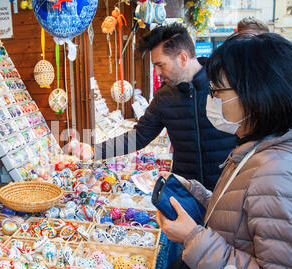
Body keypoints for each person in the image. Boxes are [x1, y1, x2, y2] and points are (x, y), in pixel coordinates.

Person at [156, 33, 292, 269]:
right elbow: (242, 223)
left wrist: (193, 239)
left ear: (255, 93)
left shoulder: (277, 173)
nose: (211, 99)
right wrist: (198, 194)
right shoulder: (255, 148)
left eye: (218, 91)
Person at [72, 23, 237, 192]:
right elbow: (139, 136)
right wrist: (95, 151)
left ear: (182, 58)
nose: (157, 72)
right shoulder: (164, 96)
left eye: (161, 64)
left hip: (228, 189)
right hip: (187, 191)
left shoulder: (223, 85)